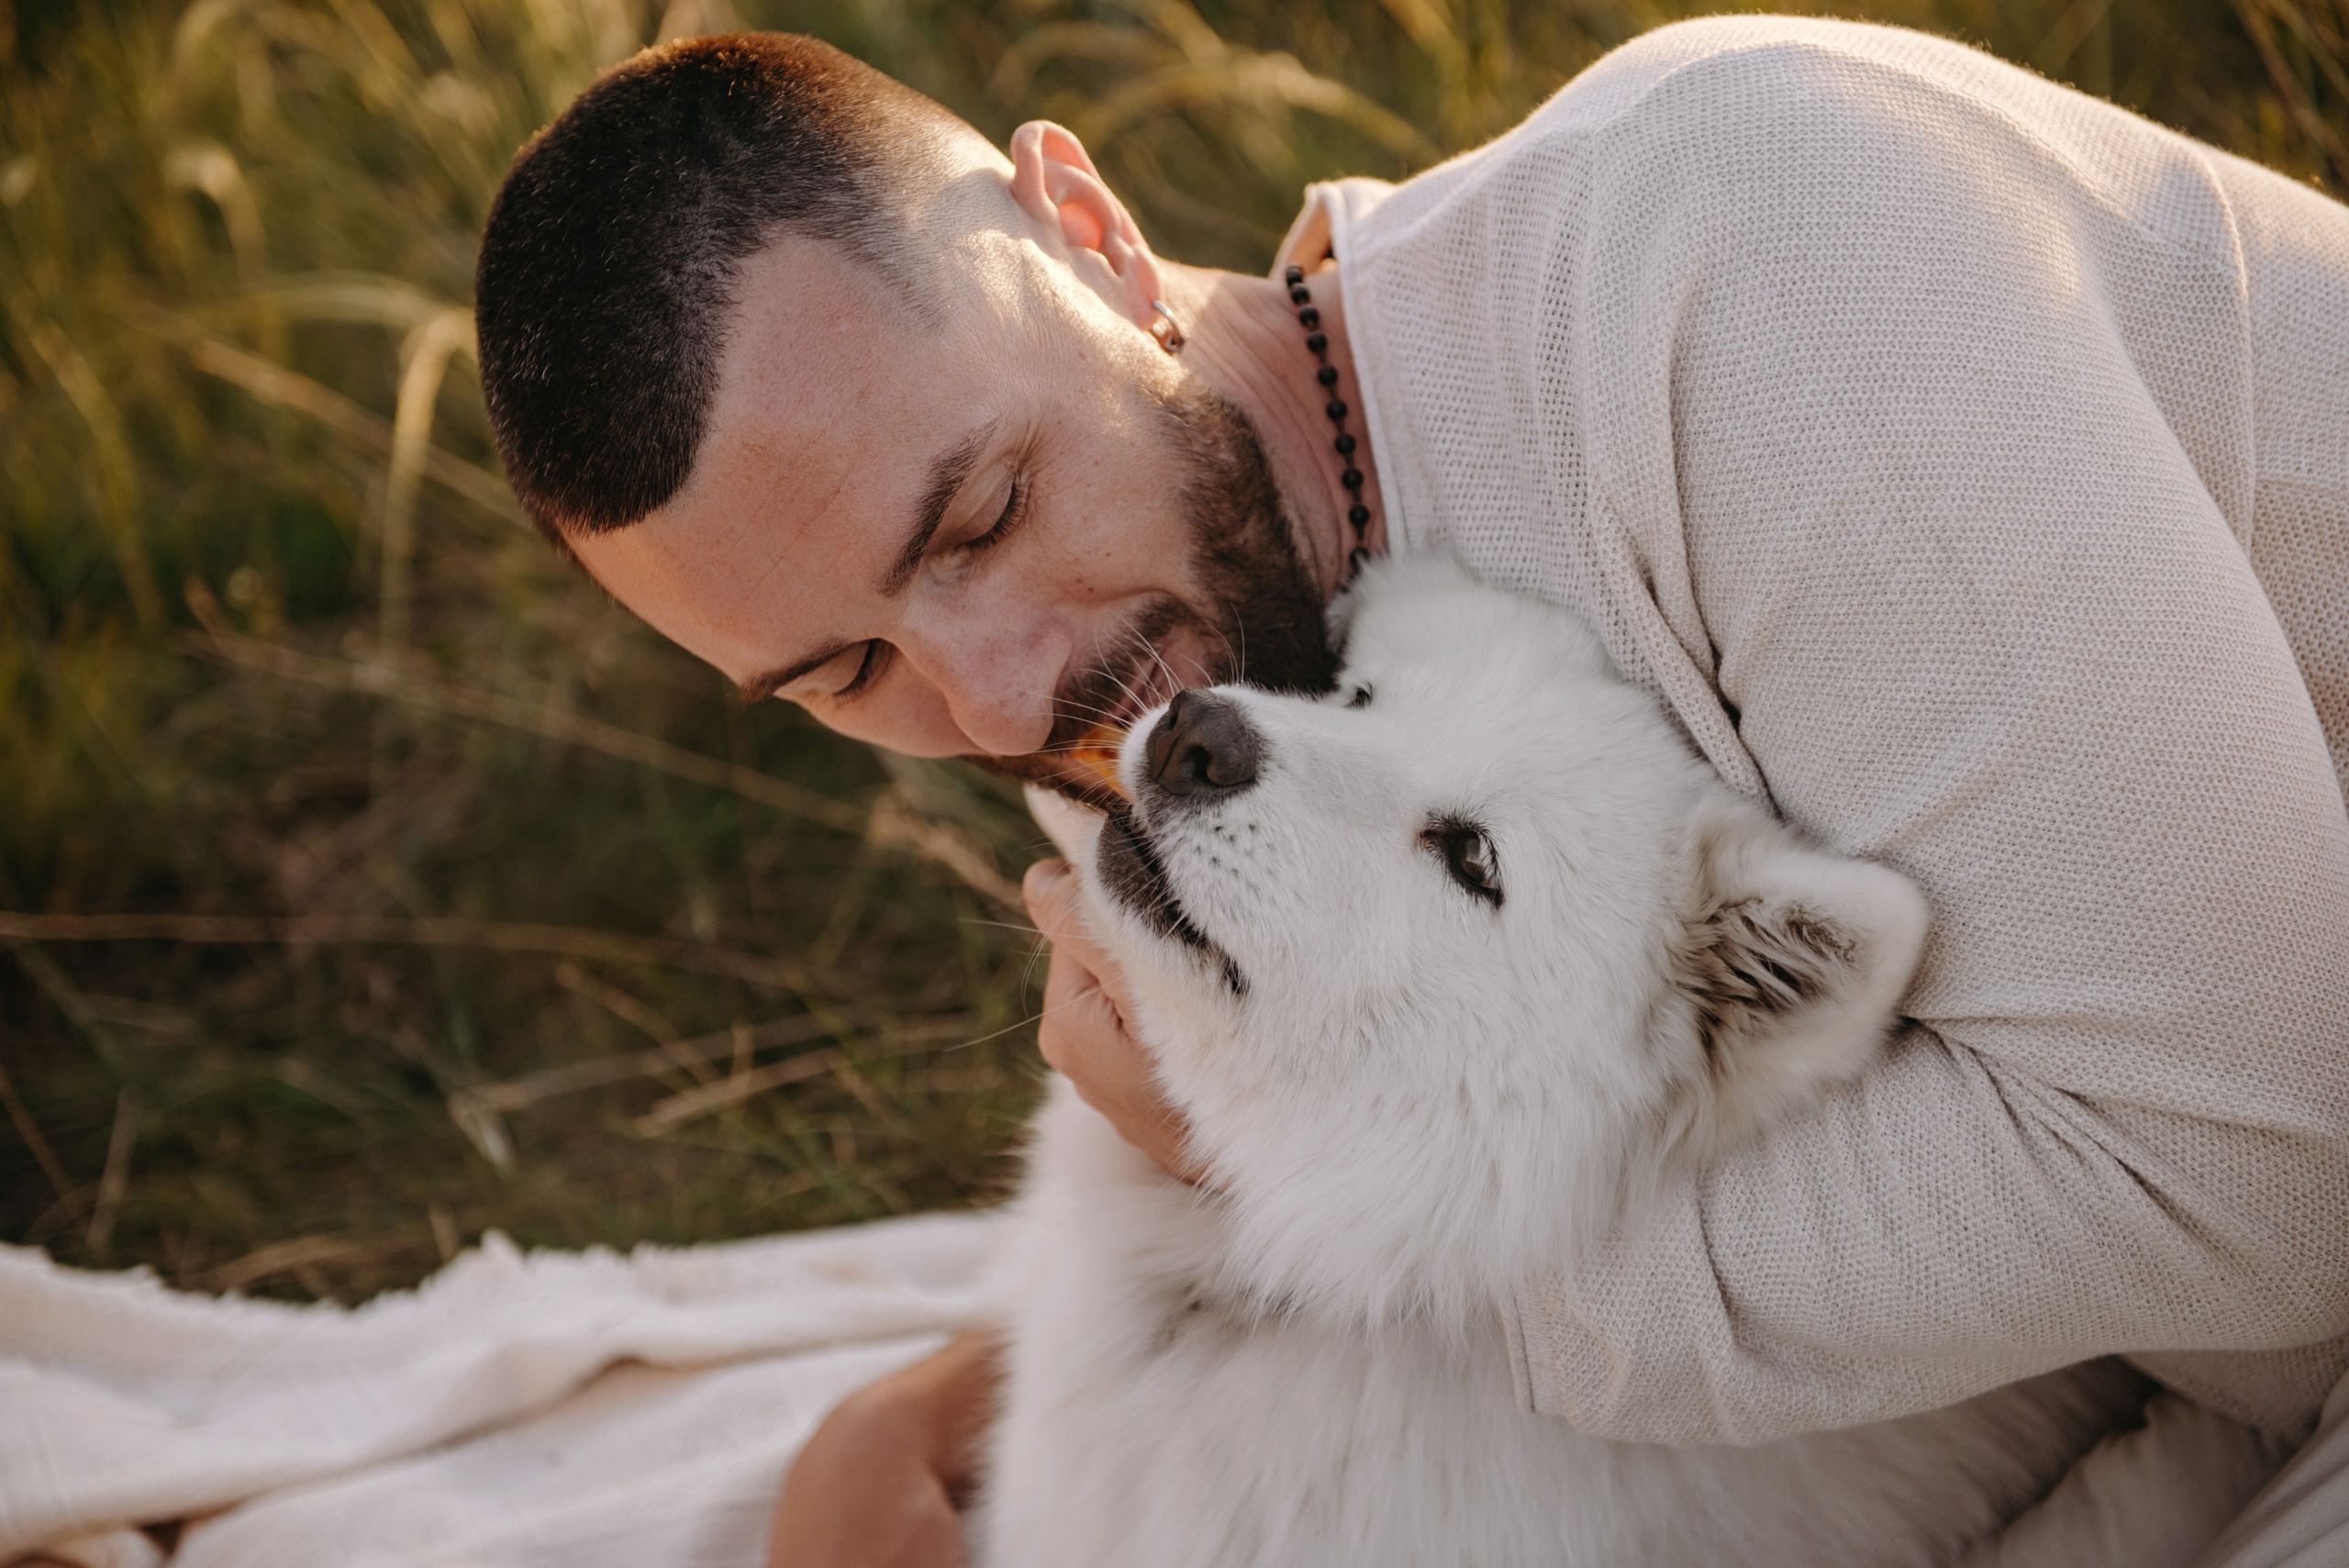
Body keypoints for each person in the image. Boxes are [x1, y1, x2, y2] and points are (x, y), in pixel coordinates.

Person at [470, 16, 2349, 1566]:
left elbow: (2274, 1176)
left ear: (1092, 239)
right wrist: (921, 1417)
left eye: (981, 516)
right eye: (844, 675)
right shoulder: (1148, 658)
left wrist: (1366, 1193)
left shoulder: (1743, 263)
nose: (998, 701)